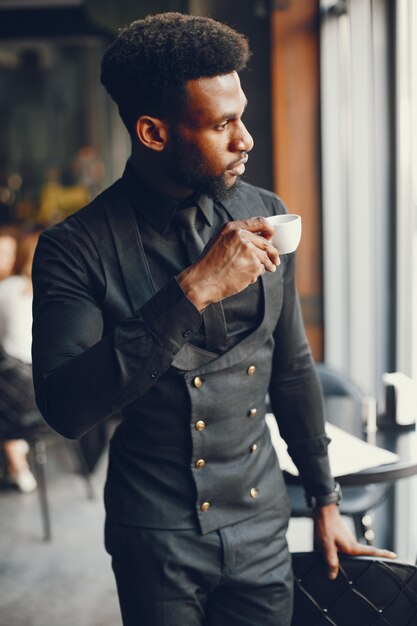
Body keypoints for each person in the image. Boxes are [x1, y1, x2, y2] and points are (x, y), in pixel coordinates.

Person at [31, 13, 395, 626]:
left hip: (262, 523)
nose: (245, 138)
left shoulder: (266, 213)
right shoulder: (75, 246)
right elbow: (66, 408)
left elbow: (293, 367)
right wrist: (193, 289)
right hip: (156, 536)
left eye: (242, 116)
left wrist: (326, 501)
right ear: (153, 131)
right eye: (223, 123)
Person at [0, 228, 41, 492]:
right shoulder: (57, 294)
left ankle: (16, 458)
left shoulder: (7, 289)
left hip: (19, 398)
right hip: (54, 399)